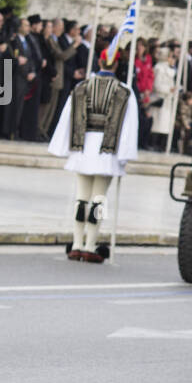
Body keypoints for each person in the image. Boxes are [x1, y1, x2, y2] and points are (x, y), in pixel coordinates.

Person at [47, 41, 139, 263]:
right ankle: (90, 245)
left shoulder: (81, 87)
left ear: (99, 61)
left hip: (83, 148)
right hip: (107, 152)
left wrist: (63, 147)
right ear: (117, 64)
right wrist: (125, 155)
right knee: (99, 200)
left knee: (81, 197)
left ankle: (77, 244)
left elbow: (67, 119)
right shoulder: (124, 91)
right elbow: (129, 126)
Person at [43, 18, 79, 138]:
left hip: (58, 79)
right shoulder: (51, 40)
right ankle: (41, 130)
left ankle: (44, 131)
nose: (62, 29)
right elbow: (61, 56)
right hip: (53, 77)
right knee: (47, 107)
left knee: (52, 108)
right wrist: (74, 45)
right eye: (60, 26)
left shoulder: (55, 40)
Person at [150, 45, 177, 151]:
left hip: (167, 100)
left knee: (165, 123)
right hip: (159, 98)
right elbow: (157, 85)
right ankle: (153, 143)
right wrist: (168, 89)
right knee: (157, 122)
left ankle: (162, 144)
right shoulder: (159, 68)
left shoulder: (169, 69)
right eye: (170, 57)